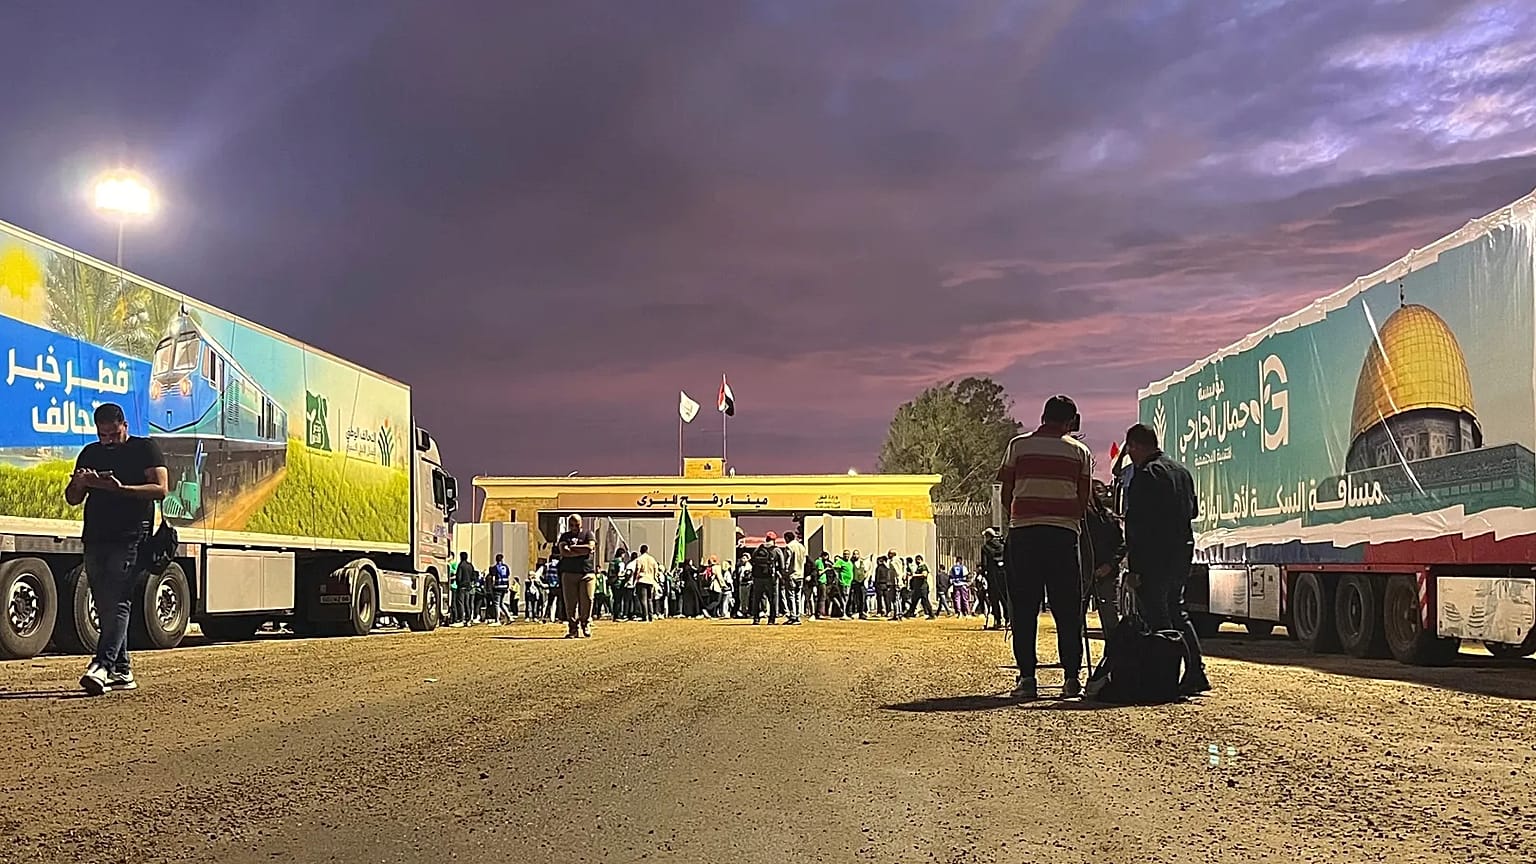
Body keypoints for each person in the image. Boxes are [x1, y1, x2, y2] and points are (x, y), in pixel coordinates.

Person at [66, 402, 168, 695]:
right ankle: (122, 671)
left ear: (124, 426)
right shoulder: (91, 453)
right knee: (103, 603)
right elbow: (72, 499)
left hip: (131, 536)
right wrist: (80, 483)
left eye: (113, 434)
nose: (108, 440)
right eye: (103, 435)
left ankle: (102, 665)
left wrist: (120, 489)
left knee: (119, 599)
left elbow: (161, 489)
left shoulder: (144, 448)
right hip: (95, 536)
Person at [998, 394, 1094, 701]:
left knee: (1024, 609)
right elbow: (1083, 497)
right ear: (1070, 421)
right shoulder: (1080, 451)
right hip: (1063, 536)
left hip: (1024, 534)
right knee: (1068, 610)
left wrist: (1019, 514)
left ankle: (1027, 678)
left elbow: (1006, 490)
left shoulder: (1018, 446)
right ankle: (1071, 678)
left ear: (1043, 417)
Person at [1122, 422, 1210, 695]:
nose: (1130, 455)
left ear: (1135, 446)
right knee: (1177, 611)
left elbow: (1136, 526)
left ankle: (1164, 677)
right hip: (1181, 552)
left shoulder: (1145, 475)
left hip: (1154, 556)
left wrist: (1134, 569)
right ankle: (1195, 671)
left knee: (1158, 617)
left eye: (1130, 449)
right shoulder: (1181, 472)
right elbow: (1193, 511)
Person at [1083, 480, 1125, 634]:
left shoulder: (1108, 516)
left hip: (1105, 573)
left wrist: (1109, 565)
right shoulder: (1079, 518)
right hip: (1083, 574)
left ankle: (1114, 648)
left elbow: (1121, 544)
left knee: (1110, 619)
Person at [556, 514, 598, 638]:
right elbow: (564, 551)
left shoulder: (588, 534)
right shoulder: (565, 536)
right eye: (572, 525)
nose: (574, 527)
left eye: (577, 524)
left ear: (581, 523)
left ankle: (585, 623)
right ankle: (573, 628)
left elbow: (590, 548)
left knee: (588, 600)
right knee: (570, 603)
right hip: (569, 573)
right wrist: (581, 551)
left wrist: (572, 549)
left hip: (587, 573)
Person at [748, 533, 781, 624]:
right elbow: (782, 564)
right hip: (770, 577)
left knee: (757, 598)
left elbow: (752, 560)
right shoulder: (776, 550)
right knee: (772, 598)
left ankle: (756, 618)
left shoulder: (758, 549)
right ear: (774, 540)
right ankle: (771, 619)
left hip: (758, 577)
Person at [980, 528, 1009, 630]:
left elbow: (984, 564)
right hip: (1004, 575)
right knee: (1005, 598)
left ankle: (998, 621)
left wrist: (983, 574)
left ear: (988, 536)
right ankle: (1008, 620)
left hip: (992, 576)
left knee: (994, 599)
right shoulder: (1003, 546)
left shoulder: (985, 548)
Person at [904, 555, 935, 619]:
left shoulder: (923, 566)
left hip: (923, 587)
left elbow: (924, 574)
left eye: (917, 560)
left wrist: (914, 575)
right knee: (914, 600)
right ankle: (910, 613)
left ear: (920, 559)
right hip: (918, 587)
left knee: (925, 600)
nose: (916, 561)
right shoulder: (918, 567)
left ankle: (931, 614)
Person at [633, 545, 659, 622]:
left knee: (643, 599)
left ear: (640, 550)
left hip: (642, 580)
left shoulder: (639, 559)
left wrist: (635, 579)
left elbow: (637, 570)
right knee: (649, 599)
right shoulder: (652, 559)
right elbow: (656, 570)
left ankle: (645, 616)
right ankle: (651, 616)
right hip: (650, 580)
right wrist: (654, 579)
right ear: (647, 550)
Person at [454, 552, 479, 627]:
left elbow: (458, 577)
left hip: (461, 587)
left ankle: (461, 619)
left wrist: (458, 583)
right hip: (468, 587)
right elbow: (473, 576)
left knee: (460, 603)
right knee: (467, 603)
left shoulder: (461, 565)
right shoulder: (470, 565)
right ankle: (468, 619)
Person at [489, 553, 514, 625]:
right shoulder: (506, 567)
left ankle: (497, 620)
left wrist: (492, 586)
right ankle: (509, 617)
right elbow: (508, 576)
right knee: (501, 603)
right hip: (504, 586)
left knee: (496, 604)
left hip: (497, 587)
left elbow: (493, 578)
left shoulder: (495, 568)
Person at [849, 550, 870, 620]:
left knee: (862, 598)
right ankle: (855, 612)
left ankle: (862, 612)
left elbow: (866, 571)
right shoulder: (851, 563)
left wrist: (865, 578)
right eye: (854, 554)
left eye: (857, 554)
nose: (855, 555)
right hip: (854, 582)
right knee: (854, 598)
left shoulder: (862, 563)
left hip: (862, 583)